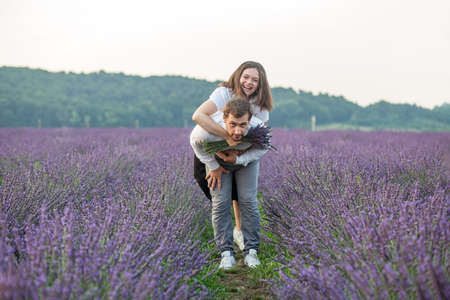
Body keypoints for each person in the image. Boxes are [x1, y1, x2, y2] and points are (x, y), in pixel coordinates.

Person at [192, 61, 273, 252]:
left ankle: (239, 231)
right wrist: (227, 138)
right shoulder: (224, 93)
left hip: (242, 151)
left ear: (261, 84)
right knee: (219, 193)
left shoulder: (261, 104)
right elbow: (199, 116)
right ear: (238, 76)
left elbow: (261, 139)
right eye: (246, 77)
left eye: (255, 80)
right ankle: (227, 235)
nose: (249, 82)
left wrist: (238, 155)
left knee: (243, 195)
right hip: (212, 146)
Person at [190, 97, 268, 269]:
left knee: (248, 200)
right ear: (224, 118)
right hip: (218, 162)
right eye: (233, 124)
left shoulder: (257, 128)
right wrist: (213, 165)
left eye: (242, 125)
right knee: (220, 202)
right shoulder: (205, 132)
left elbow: (263, 147)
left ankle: (251, 251)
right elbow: (195, 143)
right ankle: (226, 252)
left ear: (249, 121)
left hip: (245, 161)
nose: (238, 131)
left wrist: (239, 159)